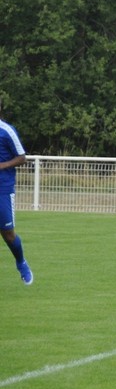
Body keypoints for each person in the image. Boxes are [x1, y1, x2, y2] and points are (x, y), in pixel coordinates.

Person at [0, 109, 32, 285]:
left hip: (2, 189)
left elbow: (22, 157)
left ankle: (21, 262)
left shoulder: (7, 130)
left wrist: (3, 164)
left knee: (8, 234)